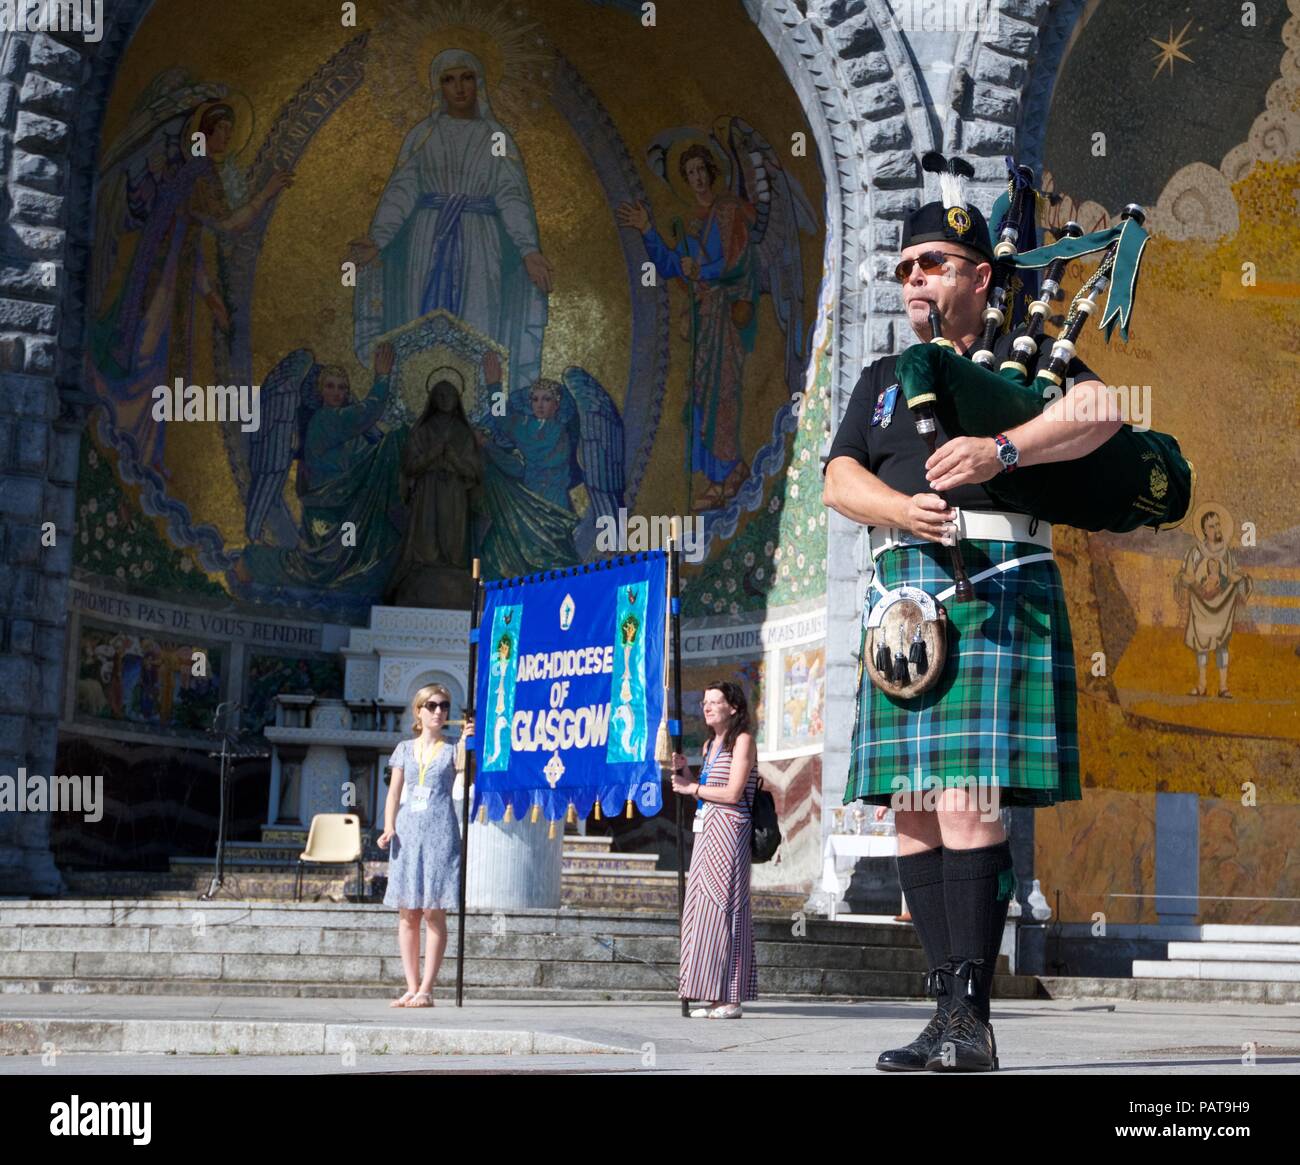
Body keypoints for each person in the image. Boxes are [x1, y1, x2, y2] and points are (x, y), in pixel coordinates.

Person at [823, 166, 1119, 1070]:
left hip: (994, 580)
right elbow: (838, 479)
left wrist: (1002, 444)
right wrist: (897, 507)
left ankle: (977, 1018)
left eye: (935, 262)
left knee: (964, 800)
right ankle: (945, 1006)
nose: (914, 278)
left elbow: (1104, 411)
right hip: (900, 601)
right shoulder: (879, 378)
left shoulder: (1026, 357)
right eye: (906, 265)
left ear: (980, 276)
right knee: (911, 811)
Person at [376, 683, 472, 1008]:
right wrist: (388, 826)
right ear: (419, 710)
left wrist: (469, 743)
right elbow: (393, 792)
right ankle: (410, 985)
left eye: (444, 706)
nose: (438, 712)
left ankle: (427, 988)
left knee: (433, 909)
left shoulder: (452, 748)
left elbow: (468, 773)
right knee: (408, 911)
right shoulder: (404, 748)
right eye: (431, 705)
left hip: (440, 829)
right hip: (408, 829)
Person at [671, 681, 759, 1019]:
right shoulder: (711, 744)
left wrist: (691, 787)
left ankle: (732, 996)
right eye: (704, 702)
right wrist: (687, 772)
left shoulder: (743, 741)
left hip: (730, 826)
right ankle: (711, 993)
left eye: (715, 702)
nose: (706, 707)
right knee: (704, 907)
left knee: (727, 906)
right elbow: (708, 787)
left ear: (733, 707)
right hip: (708, 826)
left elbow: (734, 792)